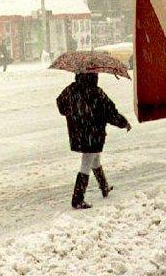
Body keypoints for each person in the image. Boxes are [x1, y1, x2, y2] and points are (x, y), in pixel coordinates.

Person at [56, 73, 131, 209]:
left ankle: (104, 186)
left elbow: (61, 105)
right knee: (87, 161)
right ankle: (78, 199)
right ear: (94, 77)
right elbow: (111, 113)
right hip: (94, 133)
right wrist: (123, 122)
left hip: (78, 133)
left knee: (94, 158)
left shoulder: (71, 90)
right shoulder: (96, 93)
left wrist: (75, 113)